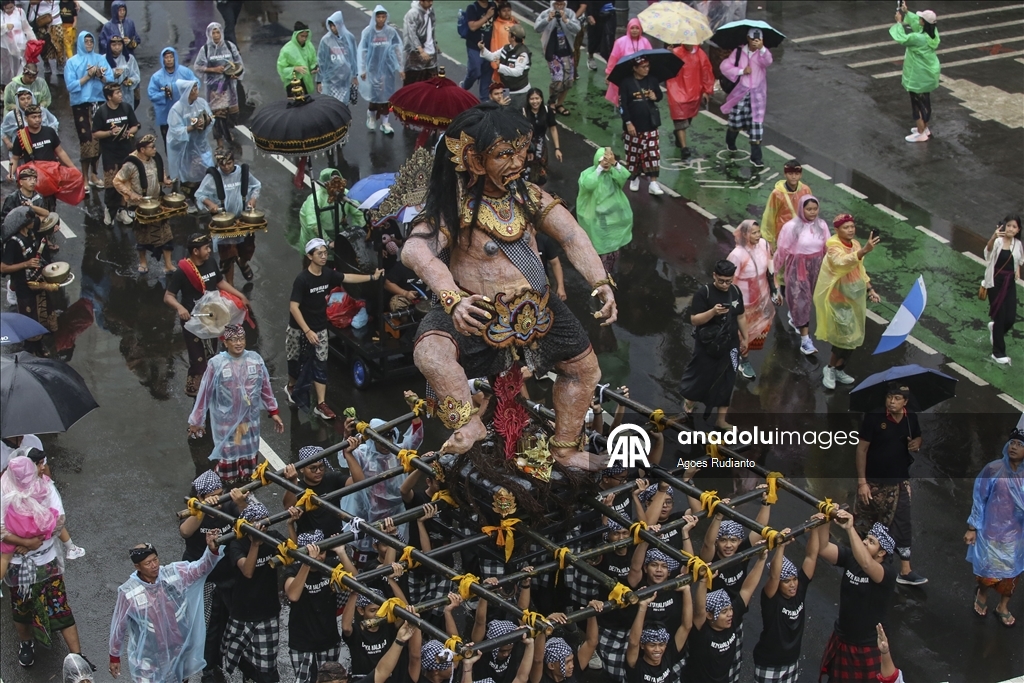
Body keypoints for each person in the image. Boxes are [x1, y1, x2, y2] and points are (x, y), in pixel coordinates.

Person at [403, 102, 617, 467]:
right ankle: (469, 425)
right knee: (430, 354)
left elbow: (571, 236)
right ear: (473, 160)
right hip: (476, 310)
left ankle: (566, 448)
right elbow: (415, 250)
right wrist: (452, 299)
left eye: (520, 152)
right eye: (504, 155)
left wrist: (601, 281)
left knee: (585, 370)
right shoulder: (456, 207)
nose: (518, 163)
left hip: (537, 310)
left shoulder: (527, 195)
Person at [1, 453, 92, 670]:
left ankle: (77, 656)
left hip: (47, 562)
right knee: (21, 608)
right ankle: (26, 644)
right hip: (19, 565)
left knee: (60, 606)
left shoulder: (46, 488)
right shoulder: (3, 493)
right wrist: (25, 541)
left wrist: (34, 541)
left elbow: (59, 521)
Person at [287, 238, 384, 419]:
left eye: (325, 253)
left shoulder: (327, 274)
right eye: (320, 254)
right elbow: (294, 307)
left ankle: (321, 404)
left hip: (319, 328)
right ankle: (291, 386)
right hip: (299, 329)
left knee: (320, 364)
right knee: (295, 361)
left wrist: (372, 277)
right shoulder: (302, 280)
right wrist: (307, 331)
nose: (324, 257)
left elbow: (347, 277)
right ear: (310, 256)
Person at [108, 532, 222, 681]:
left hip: (178, 651)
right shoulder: (129, 592)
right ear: (137, 566)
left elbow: (201, 568)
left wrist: (212, 550)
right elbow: (119, 625)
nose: (154, 565)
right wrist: (114, 656)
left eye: (155, 559)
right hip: (148, 659)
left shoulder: (173, 574)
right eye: (148, 563)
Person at [187, 324, 284, 483]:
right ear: (225, 342)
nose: (238, 343)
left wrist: (273, 411)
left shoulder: (254, 360)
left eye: (241, 339)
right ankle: (228, 486)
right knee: (229, 454)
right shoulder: (216, 364)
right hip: (226, 421)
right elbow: (205, 393)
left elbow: (265, 386)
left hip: (249, 421)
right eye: (233, 340)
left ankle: (246, 483)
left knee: (247, 453)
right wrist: (197, 420)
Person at [855, 383, 926, 586]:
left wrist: (917, 442)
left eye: (896, 398)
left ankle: (905, 570)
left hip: (899, 481)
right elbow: (861, 450)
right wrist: (862, 483)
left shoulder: (911, 418)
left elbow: (918, 437)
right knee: (868, 523)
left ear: (905, 402)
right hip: (873, 482)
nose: (891, 402)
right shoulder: (874, 417)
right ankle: (862, 563)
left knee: (902, 522)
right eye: (889, 397)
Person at [817, 510, 899, 682]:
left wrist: (849, 528)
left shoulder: (887, 572)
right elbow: (823, 548)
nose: (864, 542)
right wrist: (824, 520)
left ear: (882, 553)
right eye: (866, 538)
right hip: (843, 637)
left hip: (867, 645)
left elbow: (868, 565)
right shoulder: (852, 557)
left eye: (871, 542)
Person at [163, 232, 249, 396]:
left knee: (211, 354)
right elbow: (168, 296)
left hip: (213, 318)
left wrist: (240, 296)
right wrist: (180, 308)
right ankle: (193, 383)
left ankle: (209, 382)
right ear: (195, 251)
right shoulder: (182, 271)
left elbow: (219, 282)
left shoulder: (210, 262)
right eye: (206, 248)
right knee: (198, 358)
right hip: (193, 321)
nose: (210, 250)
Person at [178, 472, 245, 683]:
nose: (219, 498)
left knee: (231, 621)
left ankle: (229, 659)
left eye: (220, 494)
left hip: (229, 575)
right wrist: (201, 509)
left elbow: (248, 520)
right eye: (214, 495)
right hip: (204, 580)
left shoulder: (229, 505)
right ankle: (208, 666)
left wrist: (241, 503)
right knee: (207, 625)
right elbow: (185, 532)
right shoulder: (195, 511)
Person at [813, 213, 882, 389]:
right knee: (843, 338)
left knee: (853, 338)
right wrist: (864, 251)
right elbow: (841, 262)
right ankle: (830, 368)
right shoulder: (833, 247)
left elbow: (860, 269)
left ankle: (839, 368)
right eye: (846, 227)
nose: (850, 230)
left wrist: (870, 289)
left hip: (855, 297)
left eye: (852, 226)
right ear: (837, 230)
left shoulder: (856, 245)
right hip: (838, 299)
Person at [966, 422, 1024, 627]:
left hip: (1015, 536)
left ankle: (1003, 606)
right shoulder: (993, 469)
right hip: (990, 532)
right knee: (987, 572)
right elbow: (979, 498)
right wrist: (973, 528)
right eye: (1012, 442)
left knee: (1011, 575)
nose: (1014, 447)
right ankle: (982, 594)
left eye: (1020, 444)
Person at [678, 260, 747, 429]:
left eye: (728, 281)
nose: (724, 285)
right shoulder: (705, 293)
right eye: (721, 281)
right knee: (702, 375)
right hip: (708, 344)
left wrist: (745, 338)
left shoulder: (736, 291)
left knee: (728, 379)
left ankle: (721, 420)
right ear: (714, 276)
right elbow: (695, 319)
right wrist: (713, 312)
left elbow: (741, 316)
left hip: (730, 344)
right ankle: (689, 402)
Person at [222, 500, 283, 683]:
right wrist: (255, 545)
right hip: (243, 611)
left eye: (264, 521)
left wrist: (290, 524)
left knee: (268, 666)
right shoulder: (237, 544)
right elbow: (247, 571)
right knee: (236, 655)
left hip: (268, 612)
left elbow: (293, 552)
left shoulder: (273, 537)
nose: (261, 526)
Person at [751, 523, 821, 683]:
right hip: (769, 664)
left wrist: (816, 527)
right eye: (787, 581)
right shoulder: (771, 599)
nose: (793, 584)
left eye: (794, 579)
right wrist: (781, 547)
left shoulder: (799, 590)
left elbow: (811, 556)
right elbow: (774, 577)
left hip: (791, 662)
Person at [690, 549, 767, 683]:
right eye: (724, 612)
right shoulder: (701, 632)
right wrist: (703, 582)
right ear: (709, 615)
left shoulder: (732, 619)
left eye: (730, 609)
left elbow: (747, 589)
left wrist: (761, 560)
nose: (730, 614)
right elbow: (699, 610)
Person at [285, 531, 345, 682]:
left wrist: (341, 552)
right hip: (301, 641)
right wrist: (307, 562)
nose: (318, 557)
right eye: (313, 553)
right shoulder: (293, 569)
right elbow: (293, 595)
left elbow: (356, 583)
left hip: (328, 639)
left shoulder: (331, 565)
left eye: (321, 552)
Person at [195, 150, 261, 285]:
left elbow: (256, 185)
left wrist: (253, 199)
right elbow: (200, 194)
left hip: (242, 220)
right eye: (222, 164)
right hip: (224, 223)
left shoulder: (242, 173)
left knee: (247, 249)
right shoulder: (213, 176)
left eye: (229, 163)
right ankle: (230, 284)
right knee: (227, 256)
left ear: (234, 161)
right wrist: (210, 204)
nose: (226, 167)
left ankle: (242, 263)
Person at [112, 134, 176, 273]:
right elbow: (117, 181)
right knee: (142, 235)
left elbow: (160, 172)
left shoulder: (155, 158)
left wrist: (165, 180)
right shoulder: (130, 164)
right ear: (142, 149)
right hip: (141, 205)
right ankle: (143, 262)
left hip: (157, 202)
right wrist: (130, 194)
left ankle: (168, 264)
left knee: (166, 233)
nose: (155, 149)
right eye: (151, 147)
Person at [774, 195, 830, 356]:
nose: (812, 212)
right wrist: (776, 273)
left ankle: (795, 315)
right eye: (808, 209)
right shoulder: (791, 227)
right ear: (801, 209)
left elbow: (827, 246)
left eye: (815, 209)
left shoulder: (821, 225)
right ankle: (805, 340)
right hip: (798, 266)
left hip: (816, 265)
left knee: (808, 297)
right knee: (802, 300)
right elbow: (782, 249)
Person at [0, 455, 60, 598]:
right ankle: (71, 546)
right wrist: (31, 542)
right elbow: (57, 520)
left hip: (14, 539)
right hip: (44, 551)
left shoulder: (6, 491)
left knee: (4, 558)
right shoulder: (42, 487)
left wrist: (24, 543)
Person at [727, 219, 780, 380]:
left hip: (760, 297)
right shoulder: (737, 255)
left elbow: (770, 267)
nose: (758, 235)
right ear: (744, 234)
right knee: (743, 333)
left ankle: (740, 355)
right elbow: (729, 280)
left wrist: (775, 289)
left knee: (754, 331)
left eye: (758, 232)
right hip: (743, 302)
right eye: (753, 233)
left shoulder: (763, 245)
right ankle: (743, 360)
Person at [1, 206, 58, 354]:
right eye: (31, 219)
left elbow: (47, 214)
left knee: (41, 315)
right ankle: (31, 351)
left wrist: (30, 206)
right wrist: (25, 264)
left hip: (37, 281)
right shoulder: (13, 243)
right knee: (29, 319)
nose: (35, 221)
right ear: (22, 223)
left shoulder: (31, 232)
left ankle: (39, 346)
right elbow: (4, 268)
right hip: (24, 287)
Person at [282, 445, 364, 538]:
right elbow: (288, 507)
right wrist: (292, 482)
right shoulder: (298, 487)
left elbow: (359, 482)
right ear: (302, 469)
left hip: (335, 538)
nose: (318, 471)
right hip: (309, 543)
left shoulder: (332, 478)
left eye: (321, 466)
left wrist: (348, 454)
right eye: (313, 468)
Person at [720, 28, 774, 168]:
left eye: (759, 40)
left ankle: (756, 157)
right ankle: (730, 142)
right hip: (741, 93)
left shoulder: (762, 54)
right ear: (747, 39)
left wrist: (762, 49)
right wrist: (741, 71)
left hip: (757, 96)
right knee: (735, 122)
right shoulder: (739, 52)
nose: (755, 42)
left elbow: (768, 61)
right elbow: (725, 66)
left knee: (756, 125)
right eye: (753, 39)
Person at [576, 146, 631, 273]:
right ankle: (599, 276)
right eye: (603, 159)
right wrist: (600, 168)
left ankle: (607, 275)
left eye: (608, 160)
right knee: (598, 246)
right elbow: (588, 185)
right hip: (597, 218)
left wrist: (615, 164)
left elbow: (624, 175)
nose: (606, 163)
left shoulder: (613, 173)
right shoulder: (588, 174)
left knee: (611, 249)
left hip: (613, 218)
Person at [890, 3, 939, 142]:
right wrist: (906, 12)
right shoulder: (933, 34)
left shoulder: (918, 38)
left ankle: (921, 132)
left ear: (923, 21)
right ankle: (925, 127)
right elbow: (918, 27)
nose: (919, 20)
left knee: (916, 103)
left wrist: (899, 22)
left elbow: (902, 38)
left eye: (920, 18)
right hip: (928, 73)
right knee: (925, 101)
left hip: (918, 74)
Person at [64, 31, 107, 188]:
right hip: (81, 104)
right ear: (81, 43)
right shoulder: (72, 62)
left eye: (91, 41)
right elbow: (71, 86)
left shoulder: (100, 59)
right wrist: (88, 76)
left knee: (98, 140)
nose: (89, 44)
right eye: (86, 41)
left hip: (98, 102)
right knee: (86, 140)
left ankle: (94, 175)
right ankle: (84, 177)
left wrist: (100, 75)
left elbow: (110, 79)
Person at [92, 82, 139, 226]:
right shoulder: (102, 112)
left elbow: (135, 126)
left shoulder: (126, 108)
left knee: (126, 182)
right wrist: (109, 133)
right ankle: (109, 209)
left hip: (126, 151)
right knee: (112, 183)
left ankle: (122, 210)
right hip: (110, 153)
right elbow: (95, 133)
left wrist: (128, 132)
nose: (121, 95)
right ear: (109, 97)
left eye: (120, 92)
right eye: (117, 93)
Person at [625, 586, 692, 683]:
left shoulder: (668, 656)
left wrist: (686, 591)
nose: (657, 649)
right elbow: (633, 642)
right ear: (643, 645)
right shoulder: (636, 665)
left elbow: (686, 627)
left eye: (661, 644)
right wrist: (643, 606)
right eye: (652, 645)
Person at [193, 21, 243, 151]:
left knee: (232, 115)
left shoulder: (229, 46)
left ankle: (228, 131)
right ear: (209, 34)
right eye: (213, 32)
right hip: (214, 89)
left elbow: (238, 63)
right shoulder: (205, 50)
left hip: (229, 88)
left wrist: (236, 74)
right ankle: (219, 142)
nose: (216, 35)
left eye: (217, 32)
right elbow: (197, 67)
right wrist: (213, 70)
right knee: (217, 116)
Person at [618, 55, 665, 196]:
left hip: (650, 125)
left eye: (648, 66)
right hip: (633, 127)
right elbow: (622, 105)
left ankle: (653, 182)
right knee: (634, 154)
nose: (646, 69)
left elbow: (660, 96)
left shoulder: (652, 80)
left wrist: (655, 96)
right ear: (635, 68)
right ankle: (634, 178)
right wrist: (628, 122)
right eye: (643, 67)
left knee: (652, 153)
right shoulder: (626, 83)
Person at [167, 79, 214, 210]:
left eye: (196, 88)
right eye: (193, 89)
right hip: (184, 147)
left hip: (200, 143)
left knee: (205, 168)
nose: (196, 91)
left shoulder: (201, 103)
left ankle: (203, 197)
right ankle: (188, 199)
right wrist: (191, 127)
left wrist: (205, 120)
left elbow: (211, 116)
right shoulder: (176, 109)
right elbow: (175, 131)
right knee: (187, 173)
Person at [982, 214, 1022, 365]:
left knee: (1010, 318)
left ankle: (995, 330)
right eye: (1009, 225)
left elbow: (1019, 259)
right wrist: (993, 237)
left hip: (1009, 283)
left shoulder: (1018, 244)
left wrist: (1017, 270)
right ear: (1004, 226)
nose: (1011, 229)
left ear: (1018, 230)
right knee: (1000, 315)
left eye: (1014, 226)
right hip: (995, 282)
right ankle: (998, 353)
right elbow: (987, 253)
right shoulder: (998, 241)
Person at [358, 6, 404, 134]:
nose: (381, 19)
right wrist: (362, 69)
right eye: (378, 17)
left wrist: (400, 67)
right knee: (375, 94)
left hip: (387, 69)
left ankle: (385, 122)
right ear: (374, 17)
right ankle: (371, 116)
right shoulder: (368, 32)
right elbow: (363, 51)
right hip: (373, 68)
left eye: (383, 17)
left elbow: (397, 49)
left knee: (386, 95)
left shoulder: (391, 32)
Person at [297, 167, 365, 252]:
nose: (336, 186)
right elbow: (313, 225)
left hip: (338, 231)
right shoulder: (315, 200)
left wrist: (356, 233)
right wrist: (327, 241)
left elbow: (359, 214)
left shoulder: (346, 195)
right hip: (315, 235)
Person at [667, 42, 714, 159]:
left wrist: (706, 91)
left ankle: (679, 135)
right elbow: (667, 68)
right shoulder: (676, 52)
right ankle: (684, 148)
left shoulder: (701, 55)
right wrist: (668, 55)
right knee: (680, 120)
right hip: (677, 91)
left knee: (687, 120)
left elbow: (706, 73)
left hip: (694, 93)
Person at [534, 0, 580, 116]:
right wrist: (548, 19)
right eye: (557, 4)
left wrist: (566, 20)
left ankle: (560, 104)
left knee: (568, 81)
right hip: (552, 52)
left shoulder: (570, 13)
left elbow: (577, 29)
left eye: (561, 4)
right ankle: (552, 103)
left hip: (567, 51)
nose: (559, 7)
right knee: (558, 80)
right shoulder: (546, 13)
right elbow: (537, 28)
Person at [147, 47, 197, 148]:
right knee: (170, 144)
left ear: (175, 58)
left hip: (184, 114)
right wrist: (164, 94)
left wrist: (187, 91)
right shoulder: (156, 77)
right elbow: (151, 94)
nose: (169, 59)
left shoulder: (185, 72)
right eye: (166, 57)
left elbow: (196, 83)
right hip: (166, 115)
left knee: (187, 141)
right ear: (163, 59)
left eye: (171, 57)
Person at [479, 23, 531, 112]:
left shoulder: (523, 54)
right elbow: (492, 56)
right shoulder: (506, 48)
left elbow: (517, 72)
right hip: (507, 89)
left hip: (519, 92)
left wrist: (500, 66)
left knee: (518, 115)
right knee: (506, 113)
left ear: (513, 37)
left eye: (509, 33)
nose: (508, 35)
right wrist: (483, 49)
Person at [760, 159, 811, 248]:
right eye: (790, 174)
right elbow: (769, 216)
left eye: (796, 174)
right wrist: (769, 240)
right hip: (783, 235)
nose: (794, 177)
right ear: (785, 174)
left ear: (800, 175)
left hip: (802, 234)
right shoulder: (777, 194)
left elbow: (810, 211)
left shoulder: (805, 190)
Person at [603, 17, 650, 110]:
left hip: (640, 76)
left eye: (637, 28)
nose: (635, 30)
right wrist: (609, 73)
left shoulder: (645, 42)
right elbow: (613, 58)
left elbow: (650, 58)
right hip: (623, 76)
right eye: (632, 28)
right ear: (628, 29)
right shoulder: (620, 42)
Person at [317, 11, 358, 105]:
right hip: (330, 80)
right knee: (330, 105)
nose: (333, 28)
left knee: (344, 105)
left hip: (345, 80)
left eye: (334, 25)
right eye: (331, 26)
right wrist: (319, 80)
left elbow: (353, 57)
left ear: (340, 24)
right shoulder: (325, 40)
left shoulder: (349, 38)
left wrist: (355, 75)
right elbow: (321, 61)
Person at [522, 87, 561, 186]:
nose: (535, 101)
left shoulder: (547, 111)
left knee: (541, 176)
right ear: (528, 100)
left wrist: (557, 148)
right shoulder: (523, 112)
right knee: (525, 174)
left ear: (541, 99)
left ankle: (540, 195)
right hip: (526, 147)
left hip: (541, 148)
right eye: (532, 99)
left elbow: (553, 128)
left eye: (537, 98)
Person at [463, 0, 496, 100]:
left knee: (487, 75)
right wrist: (487, 16)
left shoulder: (493, 6)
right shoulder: (472, 8)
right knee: (475, 71)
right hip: (474, 47)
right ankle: (464, 86)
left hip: (490, 48)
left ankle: (484, 101)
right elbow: (472, 27)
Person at [403, 0, 438, 84]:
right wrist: (421, 50)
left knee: (432, 85)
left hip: (431, 53)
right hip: (416, 55)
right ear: (421, 1)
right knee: (414, 84)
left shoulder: (430, 11)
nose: (431, 3)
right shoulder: (413, 13)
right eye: (428, 1)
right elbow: (411, 34)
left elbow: (431, 29)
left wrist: (434, 43)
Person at [27, 0, 64, 77]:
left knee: (59, 43)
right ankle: (46, 62)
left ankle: (60, 64)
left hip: (56, 20)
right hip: (41, 21)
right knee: (43, 45)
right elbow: (31, 2)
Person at [103, 34, 141, 110]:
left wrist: (130, 81)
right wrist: (114, 76)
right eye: (114, 45)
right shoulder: (103, 59)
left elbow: (136, 76)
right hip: (109, 97)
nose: (117, 47)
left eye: (119, 44)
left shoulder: (129, 58)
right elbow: (100, 78)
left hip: (126, 96)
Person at [1, 0, 35, 80]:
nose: (9, 10)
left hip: (20, 44)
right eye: (7, 8)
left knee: (19, 65)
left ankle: (18, 82)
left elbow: (26, 27)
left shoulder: (19, 12)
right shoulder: (1, 14)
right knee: (6, 67)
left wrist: (33, 40)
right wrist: (5, 27)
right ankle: (6, 84)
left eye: (11, 7)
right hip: (4, 45)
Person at [584, 0, 616, 67]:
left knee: (610, 35)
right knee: (594, 37)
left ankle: (610, 62)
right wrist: (588, 14)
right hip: (594, 12)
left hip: (609, 11)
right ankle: (591, 56)